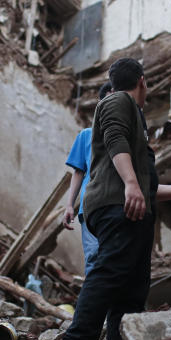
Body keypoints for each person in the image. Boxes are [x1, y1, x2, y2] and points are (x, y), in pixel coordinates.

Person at [60, 58, 171, 340]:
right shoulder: (119, 101)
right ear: (142, 82)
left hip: (133, 208)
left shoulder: (137, 121)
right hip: (114, 205)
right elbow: (116, 142)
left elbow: (146, 186)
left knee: (133, 284)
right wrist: (130, 182)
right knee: (109, 270)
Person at [63, 81, 114, 277]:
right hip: (90, 207)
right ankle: (94, 307)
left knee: (114, 260)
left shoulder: (125, 135)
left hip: (117, 206)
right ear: (100, 104)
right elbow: (78, 172)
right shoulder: (86, 136)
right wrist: (69, 205)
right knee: (93, 259)